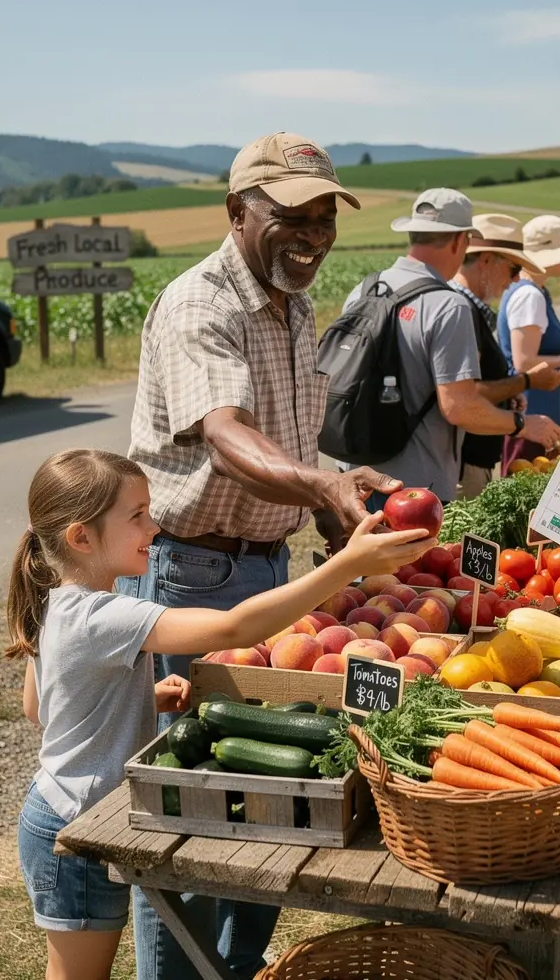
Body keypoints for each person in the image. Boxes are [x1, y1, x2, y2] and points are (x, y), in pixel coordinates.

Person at [119, 132, 401, 980]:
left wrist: (336, 481)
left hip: (265, 568)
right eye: (291, 216)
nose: (313, 234)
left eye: (324, 217)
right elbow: (229, 436)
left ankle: (234, 970)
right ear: (236, 211)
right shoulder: (201, 303)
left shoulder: (296, 306)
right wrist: (321, 490)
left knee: (273, 801)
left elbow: (285, 443)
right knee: (191, 803)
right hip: (193, 571)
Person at [8, 449, 434, 980]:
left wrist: (137, 697)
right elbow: (234, 629)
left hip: (61, 808)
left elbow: (38, 709)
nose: (155, 525)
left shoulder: (60, 599)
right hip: (72, 823)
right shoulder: (102, 615)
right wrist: (347, 565)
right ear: (81, 537)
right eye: (137, 515)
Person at [338, 190, 560, 508]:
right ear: (460, 241)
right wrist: (523, 424)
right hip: (416, 489)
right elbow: (459, 407)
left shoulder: (364, 289)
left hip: (356, 476)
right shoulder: (448, 305)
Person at [450, 213, 560, 497]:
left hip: (469, 455)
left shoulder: (468, 307)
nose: (515, 279)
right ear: (487, 260)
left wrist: (508, 392)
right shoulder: (458, 310)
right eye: (514, 268)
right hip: (460, 458)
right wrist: (525, 384)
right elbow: (467, 394)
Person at [497, 215, 560, 472]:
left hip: (536, 407)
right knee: (527, 477)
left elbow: (539, 350)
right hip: (530, 409)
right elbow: (524, 362)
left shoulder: (536, 290)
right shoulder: (530, 295)